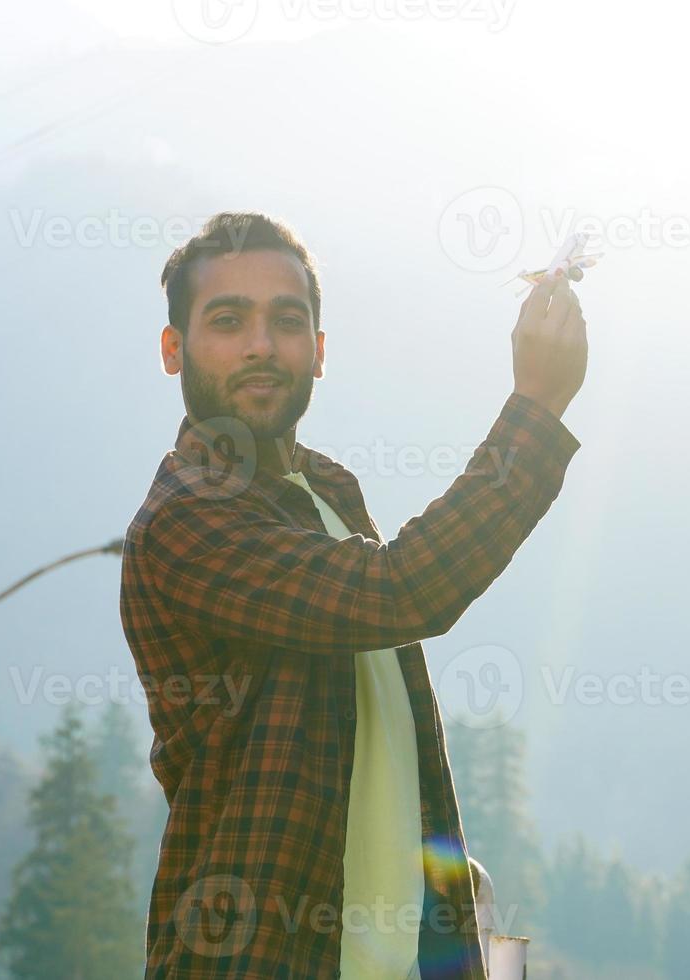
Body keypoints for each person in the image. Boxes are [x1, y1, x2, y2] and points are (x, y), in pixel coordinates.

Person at [118, 212, 588, 979]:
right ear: (175, 350)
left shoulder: (330, 489)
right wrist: (535, 409)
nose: (262, 345)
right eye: (228, 320)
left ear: (320, 352)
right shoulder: (187, 516)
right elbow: (400, 591)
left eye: (288, 321)